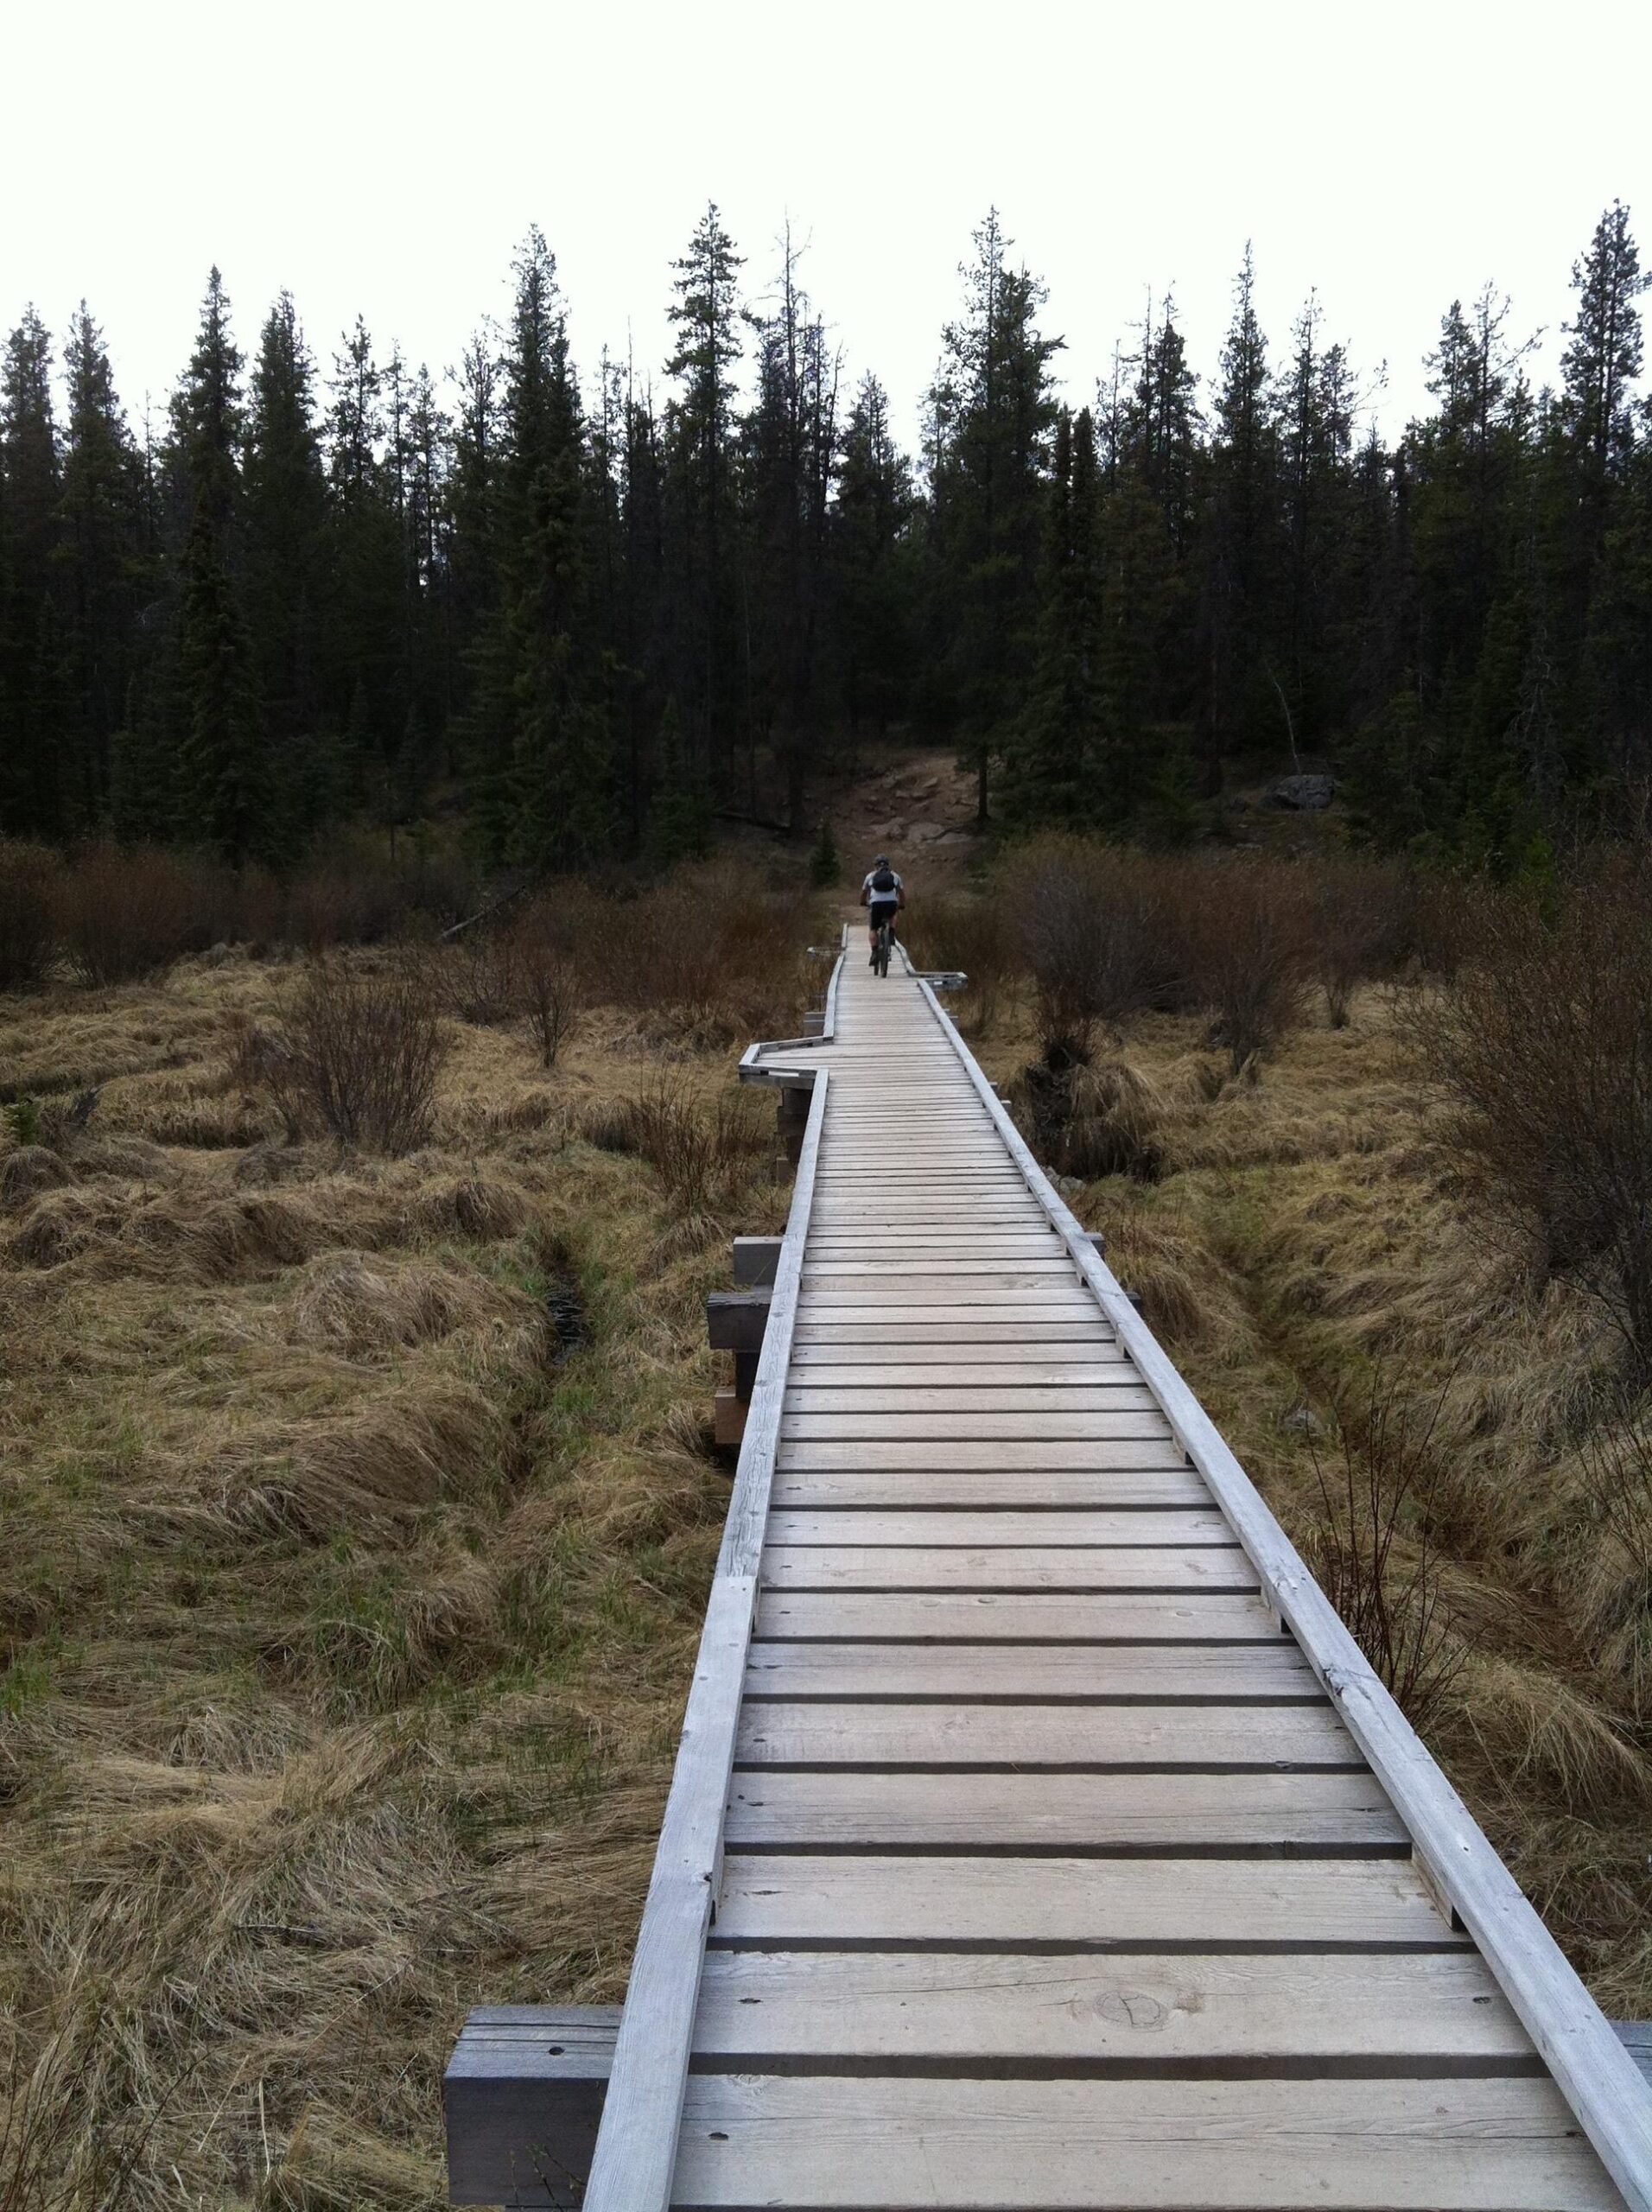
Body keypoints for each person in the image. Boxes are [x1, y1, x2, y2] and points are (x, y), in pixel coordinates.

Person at [859, 854, 905, 965]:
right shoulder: (895, 876)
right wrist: (902, 905)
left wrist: (863, 902)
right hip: (891, 903)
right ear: (888, 865)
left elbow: (864, 892)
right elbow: (902, 893)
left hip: (876, 904)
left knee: (873, 928)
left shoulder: (870, 876)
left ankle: (874, 952)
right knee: (893, 914)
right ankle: (891, 934)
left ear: (875, 865)